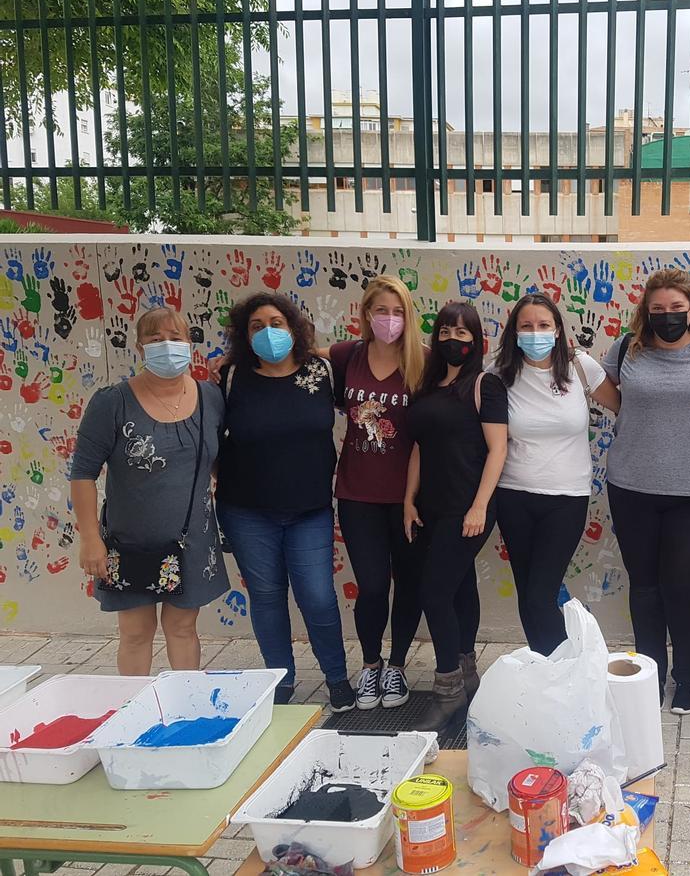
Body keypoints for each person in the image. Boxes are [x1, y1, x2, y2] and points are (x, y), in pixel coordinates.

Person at [601, 268, 690, 716]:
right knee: (645, 587)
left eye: (677, 308)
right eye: (658, 309)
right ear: (646, 312)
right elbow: (609, 392)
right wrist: (638, 417)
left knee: (683, 587)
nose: (668, 316)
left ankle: (689, 675)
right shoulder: (625, 349)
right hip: (630, 485)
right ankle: (651, 674)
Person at [71, 307, 229, 676]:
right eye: (156, 339)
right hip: (129, 541)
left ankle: (185, 708)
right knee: (136, 632)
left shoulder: (211, 398)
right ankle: (134, 712)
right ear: (140, 348)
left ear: (190, 344)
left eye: (175, 337)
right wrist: (90, 538)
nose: (167, 345)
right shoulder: (112, 402)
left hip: (192, 540)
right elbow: (82, 474)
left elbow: (220, 457)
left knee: (183, 628)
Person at [215, 292, 353, 711]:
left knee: (317, 597)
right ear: (244, 334)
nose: (269, 332)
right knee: (267, 596)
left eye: (277, 323)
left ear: (293, 328)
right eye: (257, 326)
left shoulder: (323, 371)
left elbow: (377, 363)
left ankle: (337, 677)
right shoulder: (231, 376)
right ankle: (280, 678)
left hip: (309, 509)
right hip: (247, 510)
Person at [491, 293, 620, 654]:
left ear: (559, 330)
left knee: (540, 595)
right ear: (514, 333)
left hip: (567, 498)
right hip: (513, 496)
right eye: (526, 326)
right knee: (527, 591)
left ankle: (566, 671)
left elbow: (627, 409)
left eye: (544, 325)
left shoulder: (581, 367)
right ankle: (545, 670)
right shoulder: (498, 374)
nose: (536, 333)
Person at [405, 302, 508, 730]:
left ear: (476, 340)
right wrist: (408, 501)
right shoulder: (426, 386)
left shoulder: (486, 385)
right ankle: (468, 677)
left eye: (462, 333)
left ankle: (447, 688)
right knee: (460, 588)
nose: (452, 340)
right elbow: (418, 448)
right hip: (430, 506)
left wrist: (479, 506)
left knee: (434, 593)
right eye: (445, 331)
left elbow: (498, 450)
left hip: (468, 507)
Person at [325, 276, 426, 710]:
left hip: (409, 496)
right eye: (381, 311)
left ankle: (398, 667)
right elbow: (302, 358)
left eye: (398, 311)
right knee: (370, 585)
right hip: (357, 492)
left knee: (409, 584)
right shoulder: (347, 356)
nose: (390, 320)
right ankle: (370, 665)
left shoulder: (423, 361)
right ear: (366, 314)